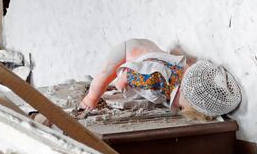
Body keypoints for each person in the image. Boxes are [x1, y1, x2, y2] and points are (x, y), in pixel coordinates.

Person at [80, 38, 242, 119]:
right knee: (104, 77)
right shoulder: (155, 81)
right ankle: (89, 99)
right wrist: (119, 83)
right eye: (181, 107)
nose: (178, 108)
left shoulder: (187, 74)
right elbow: (126, 75)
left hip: (150, 52)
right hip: (128, 51)